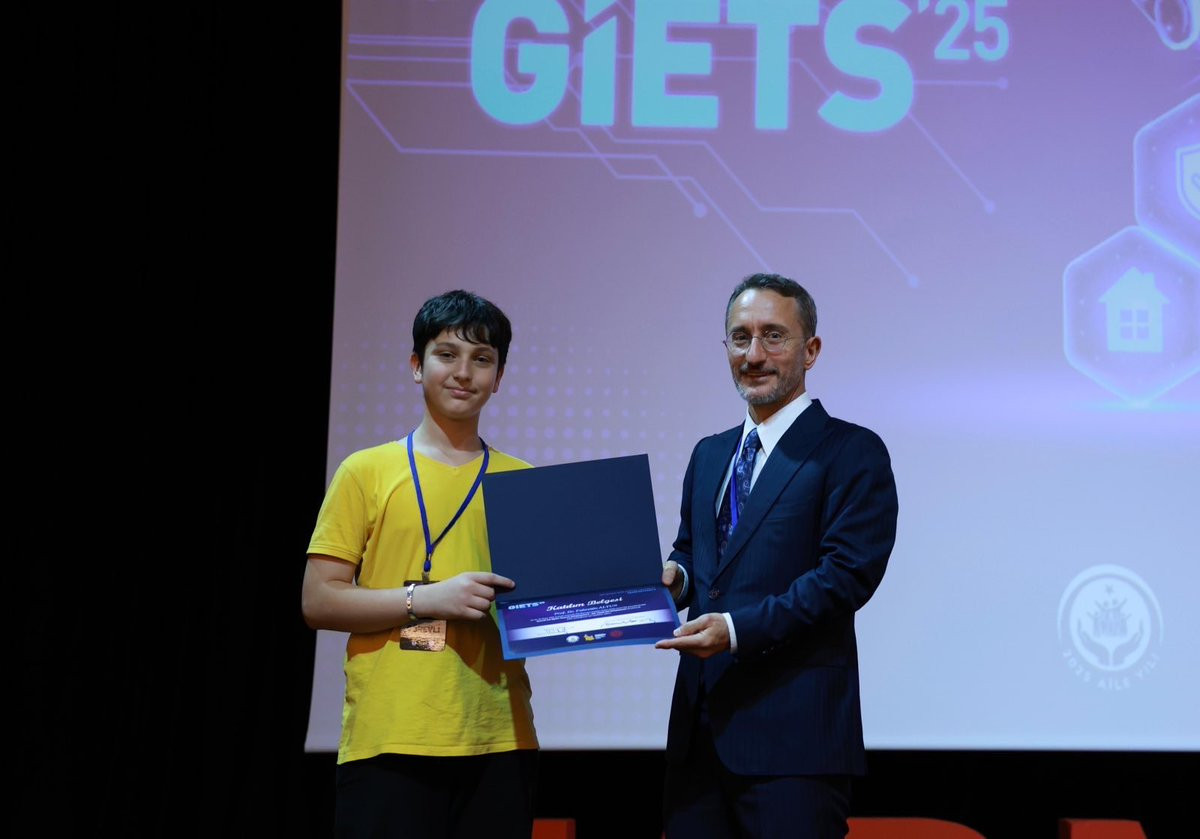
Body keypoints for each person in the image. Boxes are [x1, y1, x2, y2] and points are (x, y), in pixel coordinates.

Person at [656, 273, 899, 839]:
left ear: (810, 350)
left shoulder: (851, 451)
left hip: (795, 742)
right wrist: (674, 580)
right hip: (698, 739)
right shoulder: (710, 453)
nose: (754, 355)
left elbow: (845, 577)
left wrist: (736, 630)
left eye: (773, 336)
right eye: (740, 338)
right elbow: (694, 551)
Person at [302, 290, 538, 839]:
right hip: (389, 736)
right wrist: (424, 599)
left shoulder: (524, 482)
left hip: (498, 737)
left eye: (482, 359)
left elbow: (548, 602)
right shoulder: (365, 471)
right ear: (417, 365)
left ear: (499, 377)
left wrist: (629, 589)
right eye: (446, 354)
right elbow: (318, 599)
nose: (464, 372)